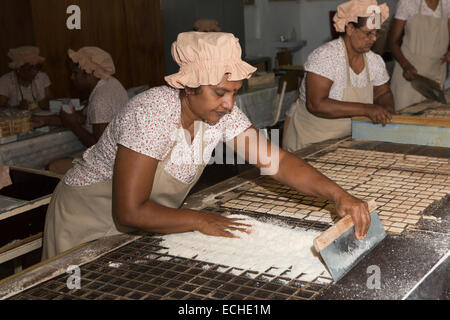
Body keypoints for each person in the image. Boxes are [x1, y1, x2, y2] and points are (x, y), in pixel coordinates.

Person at [42, 32, 372, 260]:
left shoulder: (220, 113)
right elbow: (129, 211)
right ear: (188, 86)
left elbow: (276, 161)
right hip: (85, 219)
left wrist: (338, 194)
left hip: (141, 223)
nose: (230, 103)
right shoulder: (152, 114)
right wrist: (199, 220)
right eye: (220, 92)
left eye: (233, 92)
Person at [283, 0, 395, 152]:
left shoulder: (374, 61)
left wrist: (387, 110)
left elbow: (383, 92)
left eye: (377, 33)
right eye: (368, 33)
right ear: (350, 28)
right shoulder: (326, 57)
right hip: (310, 141)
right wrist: (367, 109)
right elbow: (316, 104)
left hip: (345, 142)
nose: (374, 39)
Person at [32, 47, 129, 173]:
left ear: (88, 73)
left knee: (51, 166)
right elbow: (86, 118)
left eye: (75, 73)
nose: (72, 77)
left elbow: (99, 147)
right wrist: (47, 120)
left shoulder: (100, 99)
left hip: (108, 166)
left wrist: (73, 125)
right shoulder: (110, 82)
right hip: (120, 156)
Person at [389, 0, 450, 111]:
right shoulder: (408, 3)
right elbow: (393, 42)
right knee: (404, 121)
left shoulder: (447, 4)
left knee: (431, 123)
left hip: (436, 76)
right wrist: (405, 65)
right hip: (410, 75)